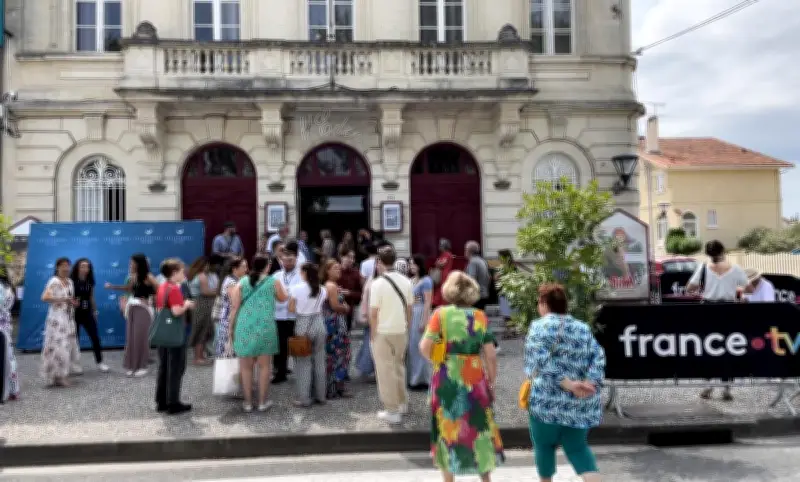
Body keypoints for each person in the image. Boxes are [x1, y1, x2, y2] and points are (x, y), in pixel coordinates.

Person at [419, 271, 504, 481]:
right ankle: (485, 478)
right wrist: (491, 382)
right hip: (475, 378)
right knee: (480, 428)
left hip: (447, 378)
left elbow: (424, 347)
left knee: (447, 428)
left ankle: (449, 478)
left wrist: (439, 361)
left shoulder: (440, 314)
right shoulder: (479, 316)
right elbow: (491, 354)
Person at [524, 283, 605, 482]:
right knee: (578, 449)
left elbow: (540, 360)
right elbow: (598, 355)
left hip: (546, 403)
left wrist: (566, 383)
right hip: (579, 404)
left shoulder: (538, 327)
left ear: (544, 303)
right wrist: (589, 383)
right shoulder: (582, 328)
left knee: (544, 447)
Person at [687, 240, 752, 401]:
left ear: (708, 254)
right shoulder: (735, 268)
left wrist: (706, 286)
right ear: (723, 251)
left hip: (708, 310)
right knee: (728, 347)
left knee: (709, 347)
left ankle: (708, 386)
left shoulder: (703, 267)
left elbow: (690, 288)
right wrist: (736, 290)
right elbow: (750, 288)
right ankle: (726, 388)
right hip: (729, 310)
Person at [228, 256, 287, 412]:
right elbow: (283, 298)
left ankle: (247, 403)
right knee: (264, 367)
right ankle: (262, 402)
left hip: (244, 326)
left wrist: (230, 329)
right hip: (265, 327)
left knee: (246, 368)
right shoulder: (273, 281)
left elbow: (234, 308)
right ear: (267, 267)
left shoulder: (241, 282)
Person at [369, 246, 414, 424]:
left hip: (383, 331)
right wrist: (406, 326)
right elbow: (409, 309)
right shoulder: (406, 281)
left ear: (379, 262)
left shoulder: (377, 284)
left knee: (385, 371)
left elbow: (373, 313)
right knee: (399, 366)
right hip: (400, 330)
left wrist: (372, 334)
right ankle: (402, 402)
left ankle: (392, 409)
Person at [105, 254, 159, 377]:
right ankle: (132, 366)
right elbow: (129, 289)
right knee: (131, 338)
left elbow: (159, 289)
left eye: (132, 262)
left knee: (140, 337)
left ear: (139, 263)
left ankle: (142, 366)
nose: (130, 264)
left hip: (144, 309)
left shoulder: (148, 276)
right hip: (132, 307)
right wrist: (113, 286)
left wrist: (151, 300)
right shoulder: (133, 276)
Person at [154, 259, 195, 415]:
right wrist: (187, 305)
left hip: (163, 332)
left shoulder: (162, 287)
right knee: (176, 367)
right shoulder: (175, 289)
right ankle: (173, 402)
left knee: (164, 366)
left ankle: (161, 401)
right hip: (175, 333)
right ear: (173, 273)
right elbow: (176, 311)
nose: (183, 273)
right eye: (181, 271)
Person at [288, 262, 328, 407]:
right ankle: (321, 396)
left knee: (303, 364)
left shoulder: (296, 289)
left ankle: (304, 398)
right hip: (319, 323)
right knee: (319, 362)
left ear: (304, 272)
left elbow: (291, 308)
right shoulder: (322, 290)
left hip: (303, 324)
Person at [40, 258, 81, 387]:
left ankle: (61, 375)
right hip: (56, 320)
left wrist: (73, 303)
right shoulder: (54, 281)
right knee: (56, 347)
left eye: (68, 266)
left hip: (68, 318)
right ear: (57, 267)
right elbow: (44, 297)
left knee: (66, 346)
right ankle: (54, 376)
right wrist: (64, 299)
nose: (66, 268)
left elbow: (69, 299)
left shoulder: (70, 282)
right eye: (63, 265)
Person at [320, 258, 352, 398]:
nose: (339, 270)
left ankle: (332, 387)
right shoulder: (331, 286)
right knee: (339, 355)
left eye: (339, 268)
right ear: (327, 271)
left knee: (333, 356)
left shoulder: (331, 285)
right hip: (335, 325)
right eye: (335, 268)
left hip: (332, 323)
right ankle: (337, 387)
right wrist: (345, 307)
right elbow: (335, 306)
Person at [273, 241, 304, 384]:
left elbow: (300, 292)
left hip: (294, 315)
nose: (288, 263)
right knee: (281, 345)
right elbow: (274, 292)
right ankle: (281, 371)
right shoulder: (276, 275)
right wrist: (287, 291)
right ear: (281, 260)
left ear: (295, 260)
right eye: (285, 260)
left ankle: (301, 373)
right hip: (279, 314)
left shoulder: (300, 275)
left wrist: (285, 291)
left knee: (297, 343)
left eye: (291, 260)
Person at [70, 258, 109, 373]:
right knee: (74, 340)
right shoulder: (71, 281)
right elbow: (68, 297)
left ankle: (100, 362)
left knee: (95, 337)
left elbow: (92, 297)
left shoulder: (90, 280)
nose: (85, 269)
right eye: (82, 266)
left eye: (87, 266)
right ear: (77, 267)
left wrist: (95, 311)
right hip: (74, 313)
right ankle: (75, 364)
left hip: (87, 312)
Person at [186, 257, 219, 365]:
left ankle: (200, 355)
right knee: (202, 330)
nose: (209, 267)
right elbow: (206, 292)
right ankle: (198, 357)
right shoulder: (202, 276)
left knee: (201, 329)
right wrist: (219, 292)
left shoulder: (193, 275)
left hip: (198, 303)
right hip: (203, 304)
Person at [407, 255, 433, 390]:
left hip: (421, 312)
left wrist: (424, 321)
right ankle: (414, 378)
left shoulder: (426, 281)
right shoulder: (411, 280)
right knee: (412, 347)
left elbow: (428, 302)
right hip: (412, 313)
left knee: (420, 346)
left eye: (413, 264)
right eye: (410, 264)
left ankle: (422, 379)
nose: (411, 266)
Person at [215, 257, 248, 358]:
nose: (246, 269)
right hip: (230, 320)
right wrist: (231, 327)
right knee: (229, 353)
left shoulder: (238, 281)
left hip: (234, 320)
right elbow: (234, 305)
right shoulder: (231, 282)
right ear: (234, 269)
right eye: (243, 266)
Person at [355, 262, 380, 380]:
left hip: (381, 314)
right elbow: (365, 296)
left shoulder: (375, 280)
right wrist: (365, 312)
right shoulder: (372, 279)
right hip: (372, 313)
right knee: (369, 342)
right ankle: (368, 368)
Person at [1, 274, 19, 400]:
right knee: (9, 358)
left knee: (6, 359)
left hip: (2, 327)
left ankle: (10, 390)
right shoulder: (7, 288)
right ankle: (13, 390)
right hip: (5, 326)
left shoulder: (3, 289)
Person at [337, 248, 363, 333]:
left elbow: (361, 294)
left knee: (345, 338)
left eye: (353, 258)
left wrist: (350, 293)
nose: (351, 260)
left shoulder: (356, 273)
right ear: (341, 257)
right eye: (348, 257)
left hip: (348, 312)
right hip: (334, 311)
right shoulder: (335, 270)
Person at [432, 238, 455, 308]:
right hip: (444, 274)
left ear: (444, 246)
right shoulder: (446, 254)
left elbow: (441, 264)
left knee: (442, 289)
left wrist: (437, 263)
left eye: (440, 245)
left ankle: (441, 304)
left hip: (444, 275)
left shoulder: (447, 254)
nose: (439, 247)